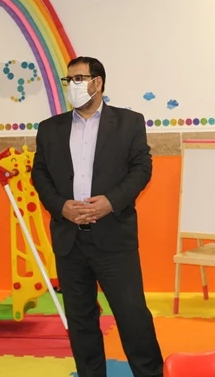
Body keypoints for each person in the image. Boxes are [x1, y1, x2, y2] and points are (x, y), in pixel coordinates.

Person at [32, 56, 163, 377]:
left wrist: (111, 202)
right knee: (81, 320)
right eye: (68, 80)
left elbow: (142, 168)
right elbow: (40, 175)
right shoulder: (50, 128)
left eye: (78, 79)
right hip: (69, 240)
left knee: (132, 316)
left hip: (114, 236)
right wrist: (60, 206)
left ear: (98, 82)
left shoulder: (129, 122)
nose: (72, 86)